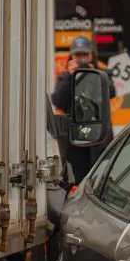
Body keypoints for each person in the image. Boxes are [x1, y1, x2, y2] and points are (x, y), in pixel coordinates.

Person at [49, 36, 116, 188]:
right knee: (74, 181)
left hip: (98, 137)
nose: (82, 59)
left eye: (85, 55)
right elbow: (58, 101)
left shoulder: (101, 74)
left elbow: (111, 92)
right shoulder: (66, 76)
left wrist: (94, 75)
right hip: (74, 141)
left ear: (92, 55)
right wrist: (70, 76)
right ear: (71, 57)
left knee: (100, 182)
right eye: (78, 55)